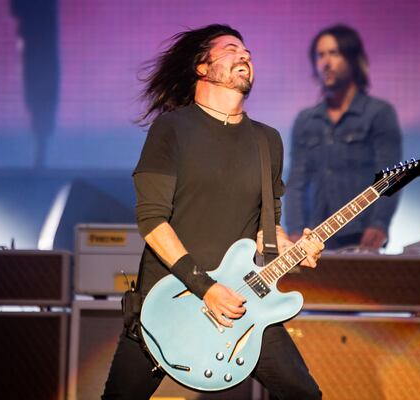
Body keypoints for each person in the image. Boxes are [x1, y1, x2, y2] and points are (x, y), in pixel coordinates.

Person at [102, 24, 324, 400]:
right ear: (202, 68)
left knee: (304, 395)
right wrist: (205, 288)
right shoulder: (171, 129)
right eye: (231, 49)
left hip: (242, 303)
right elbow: (153, 222)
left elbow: (266, 231)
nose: (245, 56)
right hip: (169, 304)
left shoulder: (266, 140)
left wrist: (294, 249)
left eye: (248, 53)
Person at [285, 24, 403, 250]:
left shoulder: (378, 113)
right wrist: (294, 230)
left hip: (359, 235)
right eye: (320, 55)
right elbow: (296, 181)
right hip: (313, 238)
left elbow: (391, 176)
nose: (326, 62)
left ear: (353, 60)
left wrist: (379, 223)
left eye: (334, 53)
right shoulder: (305, 120)